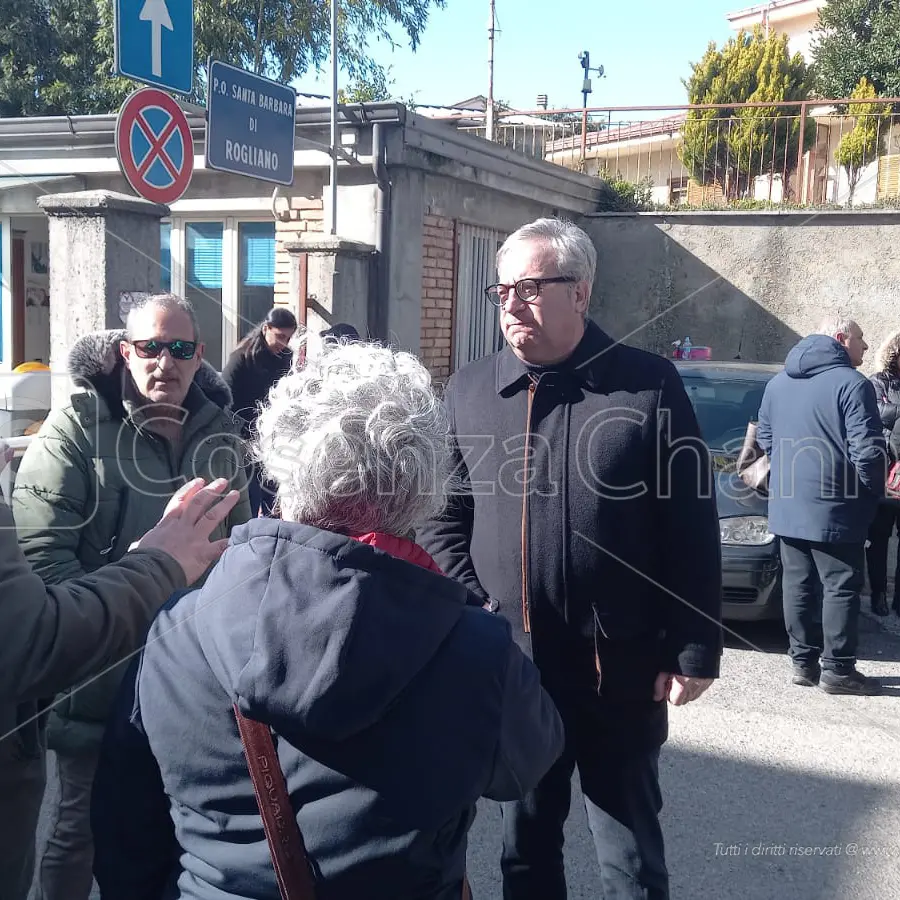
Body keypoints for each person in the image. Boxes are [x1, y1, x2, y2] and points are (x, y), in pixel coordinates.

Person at [91, 338, 564, 900]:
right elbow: (524, 767)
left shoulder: (177, 628)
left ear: (279, 460)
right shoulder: (475, 646)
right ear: (420, 482)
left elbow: (126, 834)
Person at [417, 217, 724, 900]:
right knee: (525, 851)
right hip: (516, 669)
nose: (512, 305)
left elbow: (691, 524)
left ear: (580, 292)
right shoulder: (470, 390)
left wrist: (696, 647)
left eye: (530, 288)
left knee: (631, 859)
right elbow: (444, 515)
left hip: (623, 670)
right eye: (502, 292)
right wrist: (479, 611)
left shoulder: (645, 386)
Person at [11, 293, 252, 900]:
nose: (163, 362)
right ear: (125, 351)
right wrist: (114, 625)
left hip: (196, 676)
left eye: (179, 349)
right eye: (149, 347)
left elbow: (244, 548)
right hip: (100, 669)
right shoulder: (76, 428)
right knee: (78, 830)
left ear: (199, 358)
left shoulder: (223, 433)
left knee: (179, 830)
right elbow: (42, 560)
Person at [757, 316, 886, 696]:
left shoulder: (778, 383)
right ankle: (839, 670)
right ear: (841, 338)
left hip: (787, 503)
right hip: (838, 505)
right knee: (841, 586)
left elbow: (766, 438)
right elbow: (867, 449)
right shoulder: (852, 384)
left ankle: (802, 663)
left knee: (797, 585)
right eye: (861, 339)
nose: (864, 347)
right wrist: (874, 492)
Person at [222, 307, 298, 517]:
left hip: (273, 440)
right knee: (250, 497)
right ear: (266, 329)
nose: (284, 343)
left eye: (288, 338)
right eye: (280, 336)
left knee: (274, 498)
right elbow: (226, 400)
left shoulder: (286, 358)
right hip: (244, 439)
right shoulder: (241, 358)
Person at [866, 328, 900, 618]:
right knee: (878, 538)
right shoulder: (878, 383)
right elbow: (875, 415)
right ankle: (878, 593)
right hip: (887, 472)